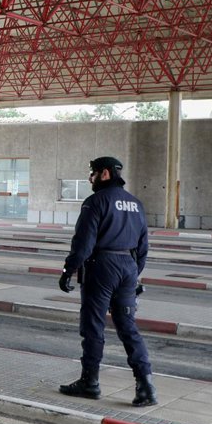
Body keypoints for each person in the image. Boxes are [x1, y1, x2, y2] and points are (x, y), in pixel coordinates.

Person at [58, 156, 156, 406]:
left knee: (93, 326)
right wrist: (133, 273)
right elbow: (143, 246)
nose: (90, 178)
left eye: (92, 173)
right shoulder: (136, 203)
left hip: (101, 267)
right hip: (128, 268)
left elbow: (83, 243)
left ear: (104, 174)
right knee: (128, 327)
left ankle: (89, 382)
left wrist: (69, 269)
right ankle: (145, 386)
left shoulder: (95, 202)